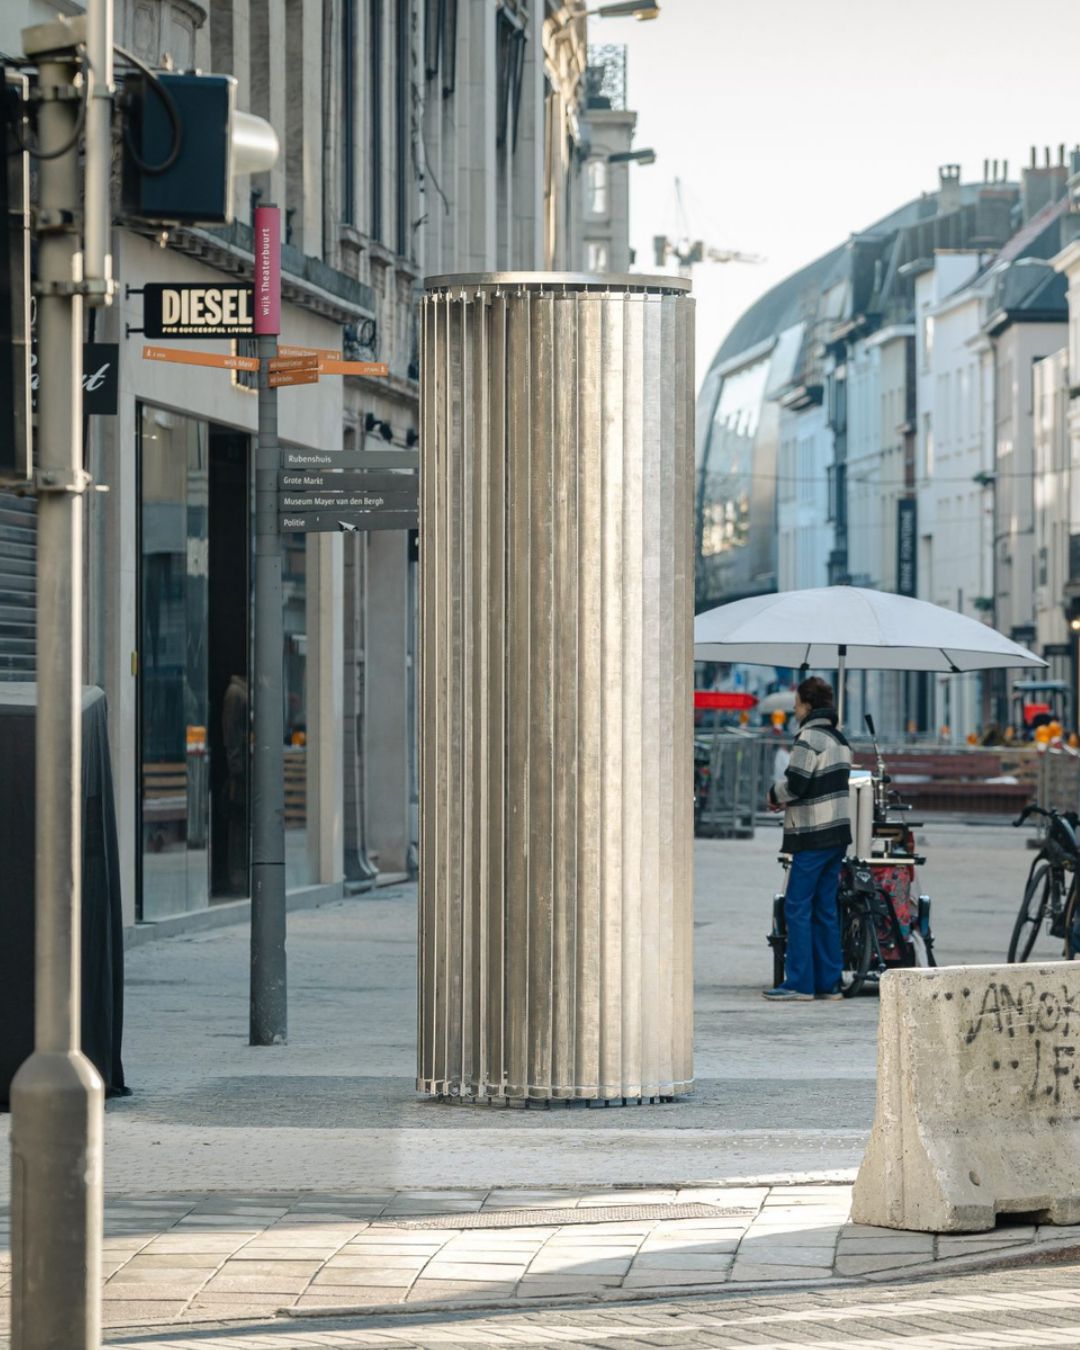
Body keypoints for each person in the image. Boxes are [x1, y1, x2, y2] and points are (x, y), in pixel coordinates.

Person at [763, 676, 852, 1002]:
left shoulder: (809, 738)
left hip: (813, 833)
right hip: (837, 833)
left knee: (797, 906)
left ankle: (800, 982)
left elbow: (797, 783)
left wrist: (773, 794)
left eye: (798, 703)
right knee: (824, 908)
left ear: (808, 705)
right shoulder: (839, 739)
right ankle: (829, 983)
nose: (795, 709)